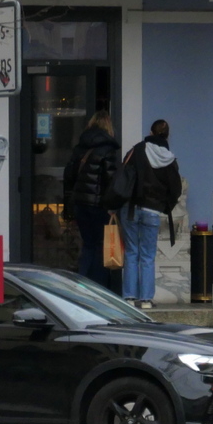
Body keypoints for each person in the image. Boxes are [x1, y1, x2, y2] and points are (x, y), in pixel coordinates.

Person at [120, 119, 183, 310]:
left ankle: (129, 298)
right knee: (148, 256)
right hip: (152, 210)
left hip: (131, 208)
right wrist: (165, 206)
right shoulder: (169, 158)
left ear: (150, 131)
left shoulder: (137, 150)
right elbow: (176, 188)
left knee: (131, 252)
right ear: (167, 135)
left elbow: (122, 175)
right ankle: (146, 300)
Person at [61, 111, 121, 289]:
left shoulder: (80, 149)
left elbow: (68, 178)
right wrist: (113, 206)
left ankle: (82, 284)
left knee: (88, 244)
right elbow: (111, 182)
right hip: (99, 206)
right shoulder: (108, 150)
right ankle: (98, 288)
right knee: (101, 246)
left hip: (81, 205)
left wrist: (68, 207)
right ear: (108, 127)